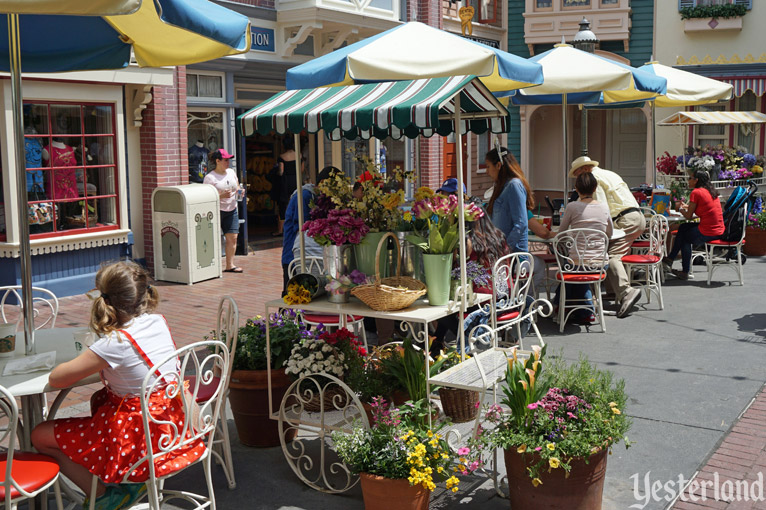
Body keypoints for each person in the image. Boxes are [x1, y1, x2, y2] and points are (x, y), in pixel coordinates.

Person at [31, 262, 205, 510]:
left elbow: (57, 379)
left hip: (142, 436)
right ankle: (121, 480)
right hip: (173, 423)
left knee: (39, 435)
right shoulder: (157, 321)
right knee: (100, 401)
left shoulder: (115, 342)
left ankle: (104, 495)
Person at [569, 155, 645, 318]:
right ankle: (612, 291)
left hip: (625, 219)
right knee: (608, 249)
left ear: (583, 169)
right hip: (634, 216)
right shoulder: (608, 173)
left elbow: (601, 209)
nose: (578, 180)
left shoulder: (594, 179)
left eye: (577, 175)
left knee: (611, 257)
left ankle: (626, 292)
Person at [553, 172, 613, 325]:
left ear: (576, 189)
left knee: (572, 270)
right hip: (600, 263)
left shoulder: (572, 207)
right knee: (578, 273)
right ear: (595, 188)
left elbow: (562, 233)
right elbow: (609, 233)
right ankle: (576, 309)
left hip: (578, 263)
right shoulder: (604, 207)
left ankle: (574, 308)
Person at [281, 166, 342, 294]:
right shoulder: (304, 195)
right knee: (292, 295)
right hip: (295, 255)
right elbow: (303, 227)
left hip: (310, 255)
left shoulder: (319, 198)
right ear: (322, 184)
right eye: (334, 187)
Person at [663, 170, 724, 280]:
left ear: (696, 180)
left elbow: (688, 216)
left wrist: (680, 209)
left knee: (685, 238)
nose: (688, 180)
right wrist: (687, 207)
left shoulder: (696, 192)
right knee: (683, 228)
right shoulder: (710, 191)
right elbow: (704, 210)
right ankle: (671, 259)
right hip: (718, 229)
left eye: (690, 178)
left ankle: (683, 269)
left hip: (709, 231)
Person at [485, 146, 534, 253]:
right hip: (500, 252)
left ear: (498, 165)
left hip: (514, 258)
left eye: (488, 167)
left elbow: (521, 223)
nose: (486, 171)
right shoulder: (502, 186)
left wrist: (505, 248)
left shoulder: (514, 185)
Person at [204, 149, 242, 273]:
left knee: (233, 238)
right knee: (212, 239)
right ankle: (210, 266)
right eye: (226, 160)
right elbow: (205, 196)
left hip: (232, 208)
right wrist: (220, 196)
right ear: (218, 161)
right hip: (217, 211)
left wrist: (240, 190)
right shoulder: (210, 177)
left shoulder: (231, 172)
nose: (228, 162)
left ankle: (230, 265)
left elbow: (237, 185)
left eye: (229, 160)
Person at [274, 136, 298, 236]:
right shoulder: (299, 155)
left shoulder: (282, 157)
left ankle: (280, 230)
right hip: (296, 180)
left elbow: (281, 171)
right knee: (296, 202)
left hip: (286, 182)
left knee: (283, 205)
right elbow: (301, 170)